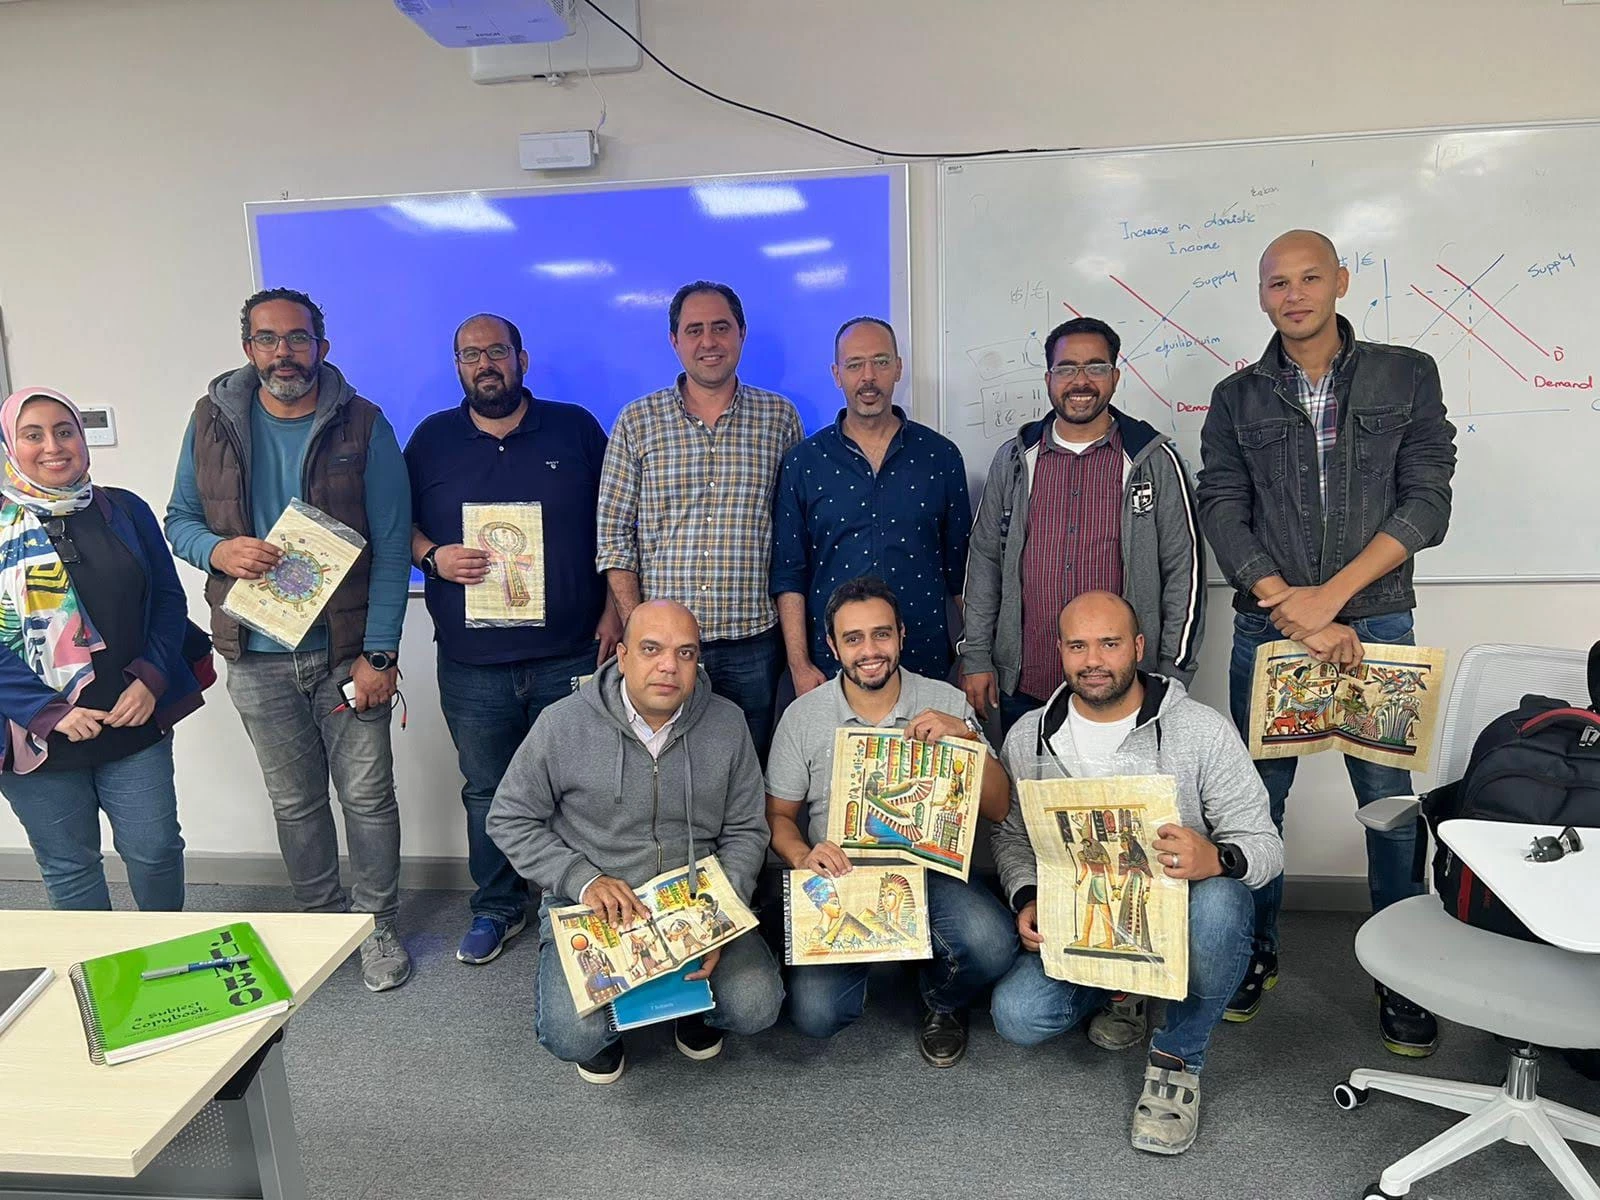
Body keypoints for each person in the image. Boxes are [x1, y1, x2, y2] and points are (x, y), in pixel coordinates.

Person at [1197, 230, 1457, 1054]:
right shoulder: (1235, 398)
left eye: (1311, 278)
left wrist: (1329, 602)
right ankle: (1254, 951)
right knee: (1256, 803)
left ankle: (1400, 973)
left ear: (1341, 281)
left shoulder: (1406, 374)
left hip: (1374, 624)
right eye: (1278, 283)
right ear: (1262, 294)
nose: (1295, 294)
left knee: (1387, 807)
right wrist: (1289, 604)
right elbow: (1222, 508)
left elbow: (1428, 501)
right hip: (1268, 628)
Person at [165, 287, 414, 992]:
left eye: (298, 339)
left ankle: (376, 924)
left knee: (368, 798)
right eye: (269, 339)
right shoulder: (210, 421)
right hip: (255, 656)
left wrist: (381, 654)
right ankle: (320, 922)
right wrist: (218, 551)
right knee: (295, 804)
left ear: (321, 347)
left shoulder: (364, 423)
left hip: (346, 655)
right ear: (248, 348)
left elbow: (392, 546)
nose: (285, 353)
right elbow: (179, 520)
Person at [989, 591, 1283, 1155]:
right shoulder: (1029, 735)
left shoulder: (1201, 730)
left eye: (1110, 643)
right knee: (1018, 1017)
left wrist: (1217, 858)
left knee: (1223, 905)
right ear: (1060, 651)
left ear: (1139, 647)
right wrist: (1027, 895)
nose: (1093, 660)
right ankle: (1123, 992)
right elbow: (1013, 837)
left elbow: (1265, 844)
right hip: (1091, 922)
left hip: (1182, 913)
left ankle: (1178, 1057)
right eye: (1078, 646)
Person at [486, 599, 783, 1084]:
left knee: (756, 1006)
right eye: (651, 649)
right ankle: (606, 1037)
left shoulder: (727, 723)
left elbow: (747, 829)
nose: (669, 666)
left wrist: (719, 919)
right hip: (595, 905)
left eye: (685, 653)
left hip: (696, 901)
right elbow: (509, 817)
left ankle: (695, 1013)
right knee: (572, 1035)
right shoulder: (562, 723)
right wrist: (582, 880)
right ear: (621, 657)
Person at [405, 312, 621, 966]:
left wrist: (616, 611)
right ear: (458, 366)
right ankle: (498, 907)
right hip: (473, 662)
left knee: (582, 785)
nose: (485, 364)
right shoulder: (431, 440)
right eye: (470, 355)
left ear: (521, 359)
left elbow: (617, 522)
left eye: (496, 351)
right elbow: (396, 527)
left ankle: (581, 900)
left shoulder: (575, 428)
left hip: (572, 651)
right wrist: (432, 556)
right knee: (487, 789)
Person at [765, 576, 1016, 1067]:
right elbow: (778, 816)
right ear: (832, 646)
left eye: (881, 634)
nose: (870, 651)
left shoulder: (946, 700)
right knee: (816, 1015)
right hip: (841, 878)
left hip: (931, 874)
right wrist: (802, 855)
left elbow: (1000, 807)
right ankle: (886, 960)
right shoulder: (803, 716)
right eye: (853, 638)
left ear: (901, 634)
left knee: (992, 943)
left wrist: (965, 737)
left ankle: (940, 997)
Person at [0, 388, 206, 911]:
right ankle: (96, 962)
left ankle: (166, 949)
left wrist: (151, 679)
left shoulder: (125, 509)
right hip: (35, 732)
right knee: (70, 867)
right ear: (10, 446)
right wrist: (50, 712)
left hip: (131, 716)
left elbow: (166, 600)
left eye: (64, 431)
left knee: (156, 851)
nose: (53, 446)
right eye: (33, 435)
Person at [960, 315, 1205, 742]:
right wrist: (977, 655)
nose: (1080, 381)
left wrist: (1172, 672)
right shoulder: (1015, 461)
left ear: (1115, 377)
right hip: (1028, 682)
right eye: (1066, 368)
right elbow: (984, 563)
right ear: (1048, 379)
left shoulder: (1152, 460)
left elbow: (1186, 571)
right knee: (1028, 785)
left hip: (1126, 686)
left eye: (1095, 367)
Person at [595, 281, 802, 760]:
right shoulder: (637, 421)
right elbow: (614, 536)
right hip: (664, 648)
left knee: (749, 767)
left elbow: (793, 534)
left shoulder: (779, 419)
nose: (708, 341)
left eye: (720, 327)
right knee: (663, 767)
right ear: (675, 340)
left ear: (742, 333)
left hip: (753, 643)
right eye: (694, 330)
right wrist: (638, 630)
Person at [771, 318, 970, 692]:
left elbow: (962, 573)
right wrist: (798, 664)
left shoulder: (940, 457)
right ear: (837, 374)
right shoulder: (803, 463)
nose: (868, 377)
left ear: (898, 368)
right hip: (832, 665)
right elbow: (789, 573)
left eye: (880, 362)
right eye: (854, 364)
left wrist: (974, 659)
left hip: (923, 660)